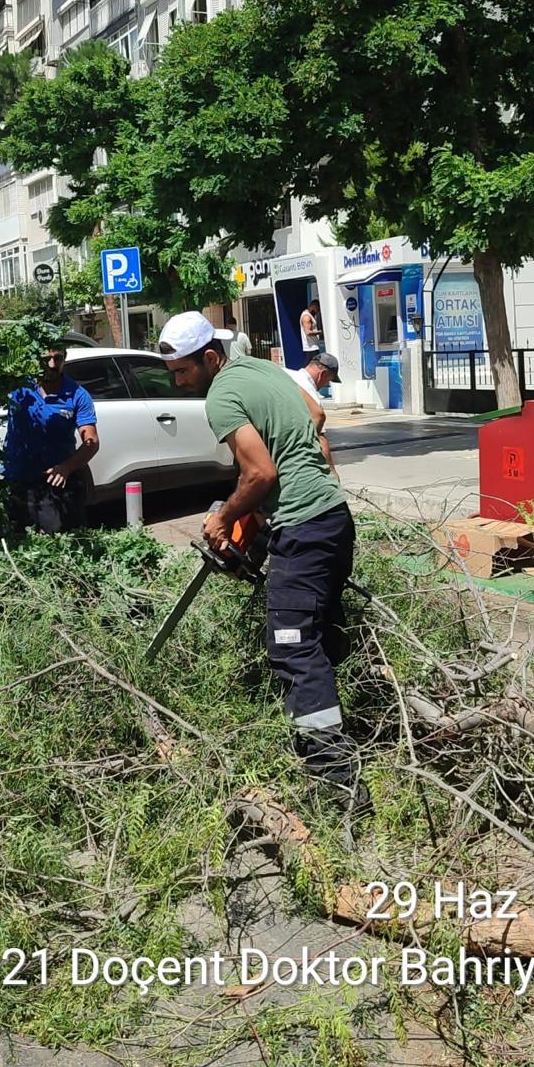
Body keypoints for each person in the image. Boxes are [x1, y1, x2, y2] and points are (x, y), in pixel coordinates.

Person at [158, 311, 363, 803]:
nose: (180, 382)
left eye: (184, 371)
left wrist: (224, 518)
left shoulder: (222, 395)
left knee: (292, 646)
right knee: (321, 634)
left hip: (304, 530)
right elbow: (314, 418)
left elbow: (261, 476)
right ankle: (362, 725)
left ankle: (336, 784)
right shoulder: (264, 370)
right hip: (333, 519)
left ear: (210, 358)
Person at [1, 342, 99, 533]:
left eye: (58, 358)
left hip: (54, 485)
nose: (52, 364)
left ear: (65, 358)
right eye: (46, 359)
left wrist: (66, 467)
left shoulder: (77, 395)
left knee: (58, 547)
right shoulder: (18, 387)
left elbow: (92, 442)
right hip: (16, 480)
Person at [289, 351, 340, 475]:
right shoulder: (311, 394)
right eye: (329, 380)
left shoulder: (286, 373)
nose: (326, 385)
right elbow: (320, 438)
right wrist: (331, 472)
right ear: (323, 374)